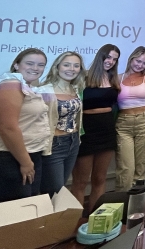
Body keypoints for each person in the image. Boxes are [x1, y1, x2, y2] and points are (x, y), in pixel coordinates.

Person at [0, 48, 50, 203]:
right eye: (30, 63)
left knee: (27, 206)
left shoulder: (27, 86)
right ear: (16, 65)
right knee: (15, 212)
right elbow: (7, 127)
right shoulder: (11, 83)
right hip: (11, 157)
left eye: (41, 65)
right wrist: (25, 162)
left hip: (29, 154)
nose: (35, 68)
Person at [71, 44, 120, 210]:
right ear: (101, 56)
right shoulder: (83, 77)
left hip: (107, 130)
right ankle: (74, 224)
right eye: (108, 57)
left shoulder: (114, 79)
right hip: (86, 131)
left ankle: (95, 221)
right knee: (80, 181)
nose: (111, 61)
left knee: (100, 178)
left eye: (114, 59)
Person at [36, 52, 86, 196]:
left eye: (76, 66)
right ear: (57, 67)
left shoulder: (75, 89)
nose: (71, 69)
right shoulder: (44, 90)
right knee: (54, 190)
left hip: (73, 142)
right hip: (54, 145)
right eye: (66, 65)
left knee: (61, 189)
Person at [115, 46, 145, 191]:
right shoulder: (117, 78)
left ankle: (136, 209)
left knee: (140, 170)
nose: (139, 65)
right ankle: (121, 206)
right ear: (131, 59)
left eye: (144, 63)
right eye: (138, 61)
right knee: (125, 168)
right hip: (123, 124)